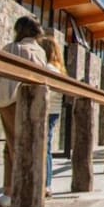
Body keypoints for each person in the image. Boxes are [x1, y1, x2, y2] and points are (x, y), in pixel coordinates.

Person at [0, 16, 47, 207]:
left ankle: (14, 192)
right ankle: (22, 189)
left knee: (13, 146)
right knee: (25, 145)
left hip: (11, 100)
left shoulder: (13, 48)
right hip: (33, 103)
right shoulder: (40, 52)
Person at [38, 36, 66, 198]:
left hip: (45, 110)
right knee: (46, 146)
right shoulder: (57, 69)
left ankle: (45, 184)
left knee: (43, 147)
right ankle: (46, 183)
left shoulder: (46, 68)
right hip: (53, 110)